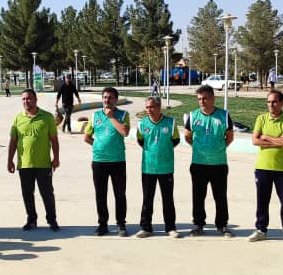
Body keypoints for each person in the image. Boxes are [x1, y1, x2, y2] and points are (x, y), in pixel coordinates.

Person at [247, 90, 283, 246]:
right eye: (268, 102)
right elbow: (255, 141)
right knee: (262, 201)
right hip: (263, 167)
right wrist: (276, 140)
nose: (271, 105)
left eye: (274, 102)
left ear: (281, 103)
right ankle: (261, 230)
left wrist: (265, 137)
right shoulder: (261, 119)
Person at [184, 85, 234, 237]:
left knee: (220, 196)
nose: (202, 101)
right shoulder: (193, 116)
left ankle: (222, 225)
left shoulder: (224, 115)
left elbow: (229, 137)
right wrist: (199, 149)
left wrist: (218, 148)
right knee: (198, 196)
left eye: (205, 98)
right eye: (199, 99)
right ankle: (198, 224)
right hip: (199, 164)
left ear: (213, 98)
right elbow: (187, 136)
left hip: (219, 164)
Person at [8, 89, 61, 231]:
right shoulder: (18, 118)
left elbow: (54, 140)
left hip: (43, 164)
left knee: (47, 194)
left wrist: (56, 158)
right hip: (24, 164)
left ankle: (52, 220)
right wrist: (10, 160)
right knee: (27, 194)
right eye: (23, 99)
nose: (26, 101)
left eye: (29, 98)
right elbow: (13, 141)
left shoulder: (47, 117)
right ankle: (31, 220)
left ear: (35, 100)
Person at [84, 87, 130, 236]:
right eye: (104, 97)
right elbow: (87, 137)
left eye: (110, 97)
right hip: (99, 161)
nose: (107, 100)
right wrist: (98, 146)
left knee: (120, 194)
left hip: (117, 161)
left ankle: (121, 224)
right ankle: (102, 224)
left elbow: (124, 132)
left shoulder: (123, 115)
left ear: (116, 99)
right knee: (100, 194)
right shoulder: (95, 115)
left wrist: (111, 117)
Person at [135, 96, 180, 238]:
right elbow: (141, 141)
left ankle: (170, 228)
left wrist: (163, 152)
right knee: (147, 199)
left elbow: (176, 140)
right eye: (147, 107)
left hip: (166, 168)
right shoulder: (142, 124)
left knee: (168, 199)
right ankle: (146, 227)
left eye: (152, 107)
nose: (149, 110)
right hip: (148, 168)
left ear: (159, 107)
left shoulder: (170, 123)